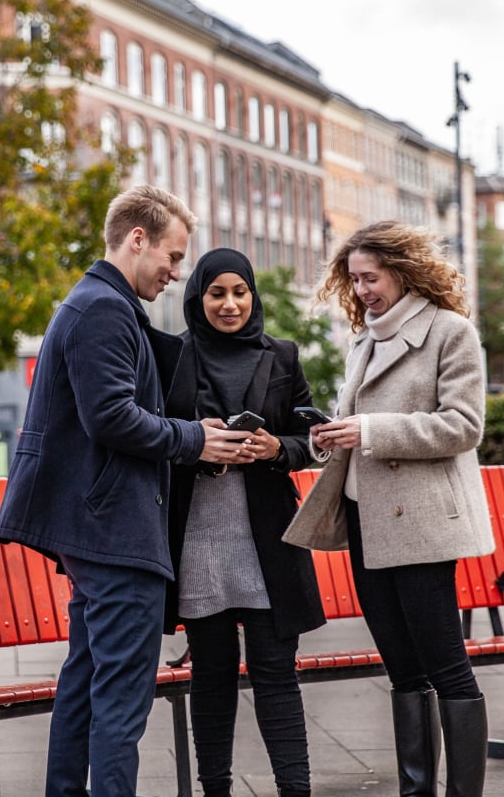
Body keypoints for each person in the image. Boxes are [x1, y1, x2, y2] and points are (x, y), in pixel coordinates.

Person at [0, 185, 259, 797]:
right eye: (172, 255)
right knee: (120, 700)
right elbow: (110, 416)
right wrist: (195, 439)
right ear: (136, 239)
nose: (176, 272)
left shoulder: (94, 303)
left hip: (96, 530)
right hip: (113, 533)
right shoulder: (105, 309)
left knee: (86, 685)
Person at [283, 220, 495, 797]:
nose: (362, 290)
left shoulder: (450, 332)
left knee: (444, 664)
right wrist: (333, 433)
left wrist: (371, 430)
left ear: (402, 270)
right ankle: (415, 790)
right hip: (366, 518)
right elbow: (360, 417)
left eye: (370, 277)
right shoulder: (365, 337)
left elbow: (463, 425)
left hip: (422, 524)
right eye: (353, 279)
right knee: (401, 667)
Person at [165, 248, 326, 797]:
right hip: (198, 540)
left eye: (240, 292)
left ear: (252, 295)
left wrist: (275, 447)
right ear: (198, 297)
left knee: (276, 672)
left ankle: (294, 789)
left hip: (267, 540)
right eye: (217, 293)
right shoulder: (173, 357)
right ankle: (216, 789)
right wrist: (198, 446)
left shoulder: (281, 355)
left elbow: (312, 440)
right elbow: (156, 439)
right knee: (211, 674)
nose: (230, 304)